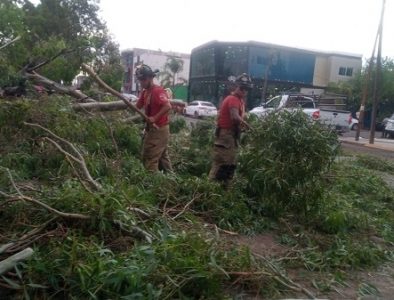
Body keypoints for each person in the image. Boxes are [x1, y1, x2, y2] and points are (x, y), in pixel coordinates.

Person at [209, 73, 253, 184]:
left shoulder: (239, 101)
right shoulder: (233, 99)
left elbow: (239, 116)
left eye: (246, 89)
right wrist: (248, 126)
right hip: (226, 136)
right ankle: (209, 191)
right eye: (242, 88)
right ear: (236, 87)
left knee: (230, 165)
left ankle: (224, 192)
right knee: (222, 165)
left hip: (231, 137)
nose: (244, 91)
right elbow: (234, 116)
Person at [135, 64, 173, 172]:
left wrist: (154, 118)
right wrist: (126, 103)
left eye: (144, 79)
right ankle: (172, 179)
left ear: (151, 78)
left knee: (150, 157)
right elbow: (138, 106)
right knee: (162, 157)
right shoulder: (145, 92)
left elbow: (167, 106)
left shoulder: (158, 91)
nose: (141, 82)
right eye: (140, 80)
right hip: (152, 129)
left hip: (159, 129)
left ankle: (153, 184)